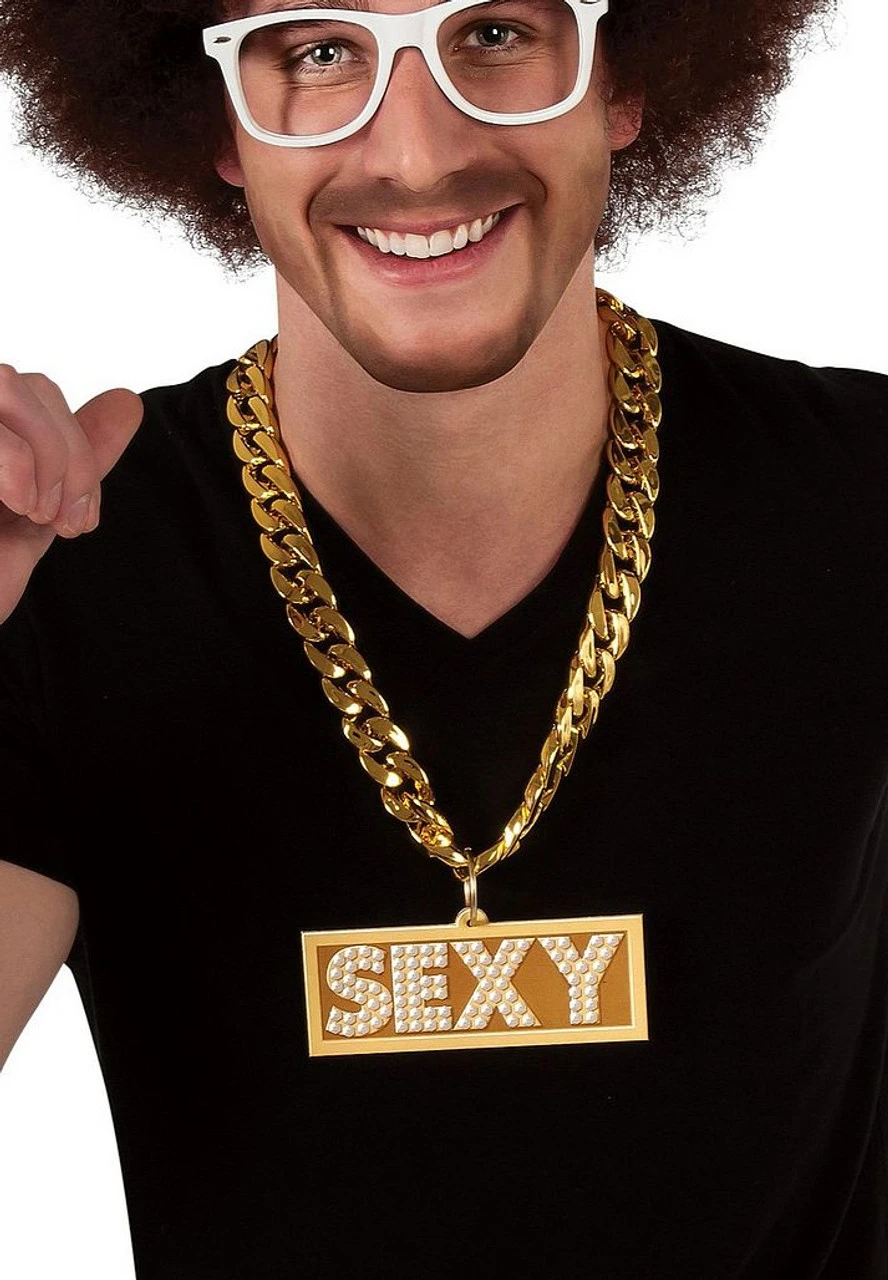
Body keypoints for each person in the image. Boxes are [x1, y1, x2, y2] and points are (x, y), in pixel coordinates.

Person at [1, 0, 886, 1275]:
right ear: (224, 125)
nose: (415, 155)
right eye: (320, 52)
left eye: (497, 33)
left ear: (623, 77)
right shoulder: (63, 565)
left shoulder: (859, 494)